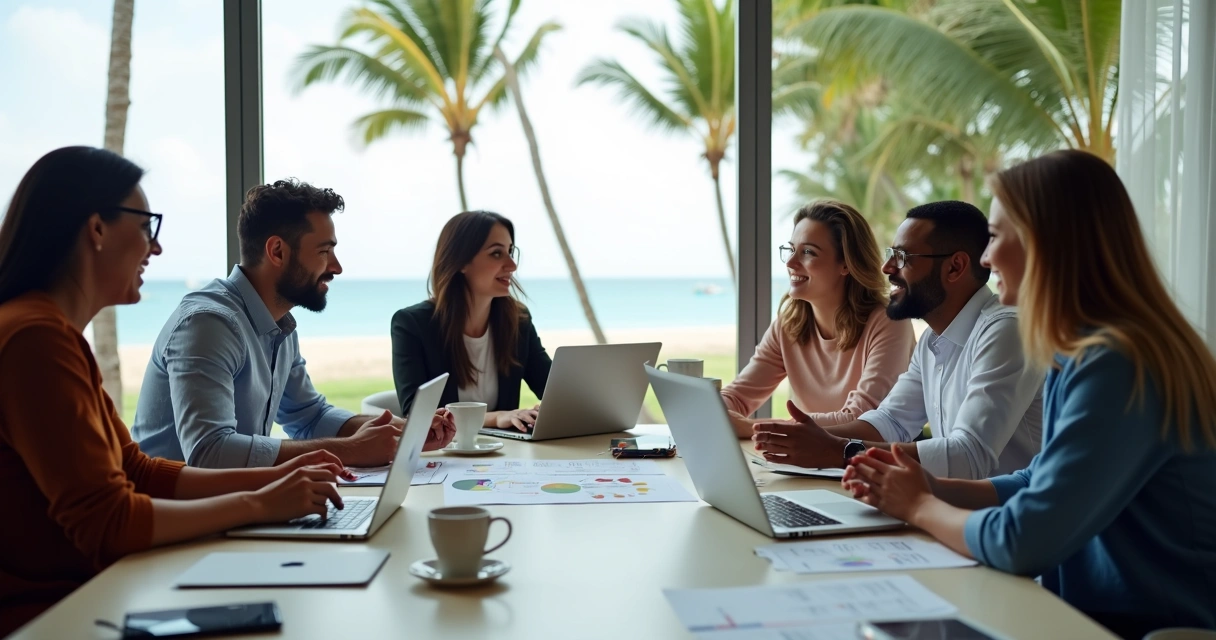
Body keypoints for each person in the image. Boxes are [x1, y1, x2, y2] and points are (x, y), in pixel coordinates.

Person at [842, 150, 1216, 637]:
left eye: (996, 237)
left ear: (1048, 243)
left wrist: (918, 506)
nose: (985, 257)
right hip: (1079, 615)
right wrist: (925, 486)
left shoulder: (1119, 363)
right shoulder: (1082, 352)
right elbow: (1036, 482)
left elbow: (1024, 540)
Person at [0, 147, 353, 636]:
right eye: (147, 226)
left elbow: (137, 471)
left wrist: (280, 478)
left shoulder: (53, 335)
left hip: (100, 591)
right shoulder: (34, 339)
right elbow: (110, 521)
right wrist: (262, 502)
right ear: (96, 229)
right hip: (58, 614)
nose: (157, 248)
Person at [132, 179, 454, 468]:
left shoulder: (280, 328)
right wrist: (349, 451)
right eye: (324, 251)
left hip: (233, 510)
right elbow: (210, 453)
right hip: (179, 524)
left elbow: (310, 416)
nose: (337, 267)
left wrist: (405, 432)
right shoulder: (209, 324)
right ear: (277, 251)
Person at [753, 201, 1043, 479]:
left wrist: (840, 451)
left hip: (1014, 523)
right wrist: (803, 434)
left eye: (903, 257)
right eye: (891, 253)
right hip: (957, 513)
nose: (887, 267)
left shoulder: (1006, 332)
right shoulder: (932, 340)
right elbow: (889, 422)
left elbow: (968, 456)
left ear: (955, 267)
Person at [722, 201, 914, 437]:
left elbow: (861, 418)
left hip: (868, 464)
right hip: (805, 461)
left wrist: (753, 428)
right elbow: (737, 397)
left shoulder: (888, 321)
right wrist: (717, 410)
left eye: (808, 252)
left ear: (846, 264)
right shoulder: (789, 323)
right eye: (791, 250)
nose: (791, 263)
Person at [392, 211, 551, 432]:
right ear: (461, 262)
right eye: (496, 253)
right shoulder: (412, 324)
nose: (512, 265)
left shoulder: (518, 321)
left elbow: (554, 392)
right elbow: (416, 413)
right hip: (447, 456)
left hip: (505, 456)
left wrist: (546, 412)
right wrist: (496, 418)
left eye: (510, 251)